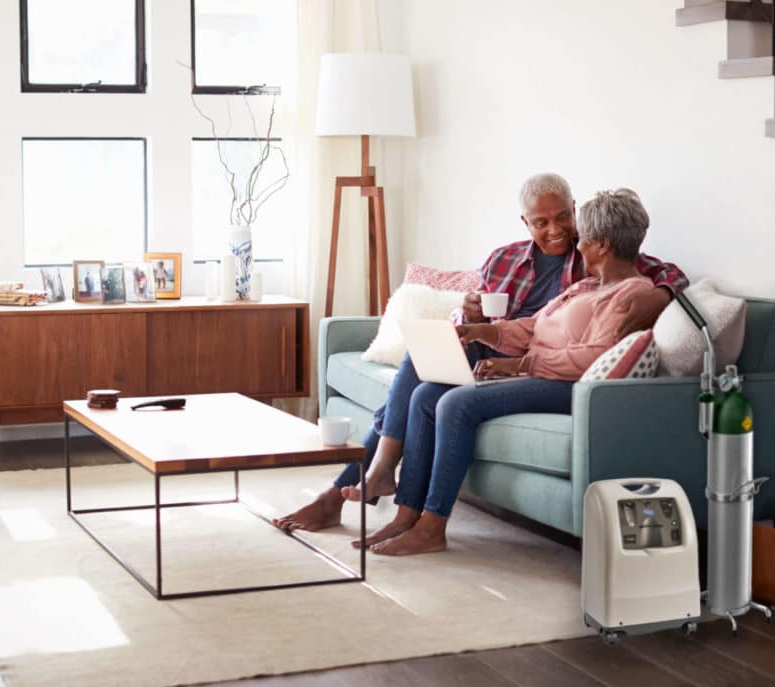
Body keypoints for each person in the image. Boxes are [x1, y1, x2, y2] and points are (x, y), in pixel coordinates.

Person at [271, 173, 688, 533]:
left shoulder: (592, 256)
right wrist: (465, 313)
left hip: (528, 357)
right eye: (542, 222)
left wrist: (663, 294)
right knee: (424, 359)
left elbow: (655, 270)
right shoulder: (504, 259)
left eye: (563, 217)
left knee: (427, 392)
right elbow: (477, 310)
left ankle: (361, 485)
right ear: (526, 222)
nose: (557, 230)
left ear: (575, 212)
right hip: (492, 341)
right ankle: (376, 479)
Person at [369, 188, 657, 555]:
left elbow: (593, 356)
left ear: (601, 244)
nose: (576, 244)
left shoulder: (631, 294)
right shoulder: (587, 286)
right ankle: (406, 513)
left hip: (567, 386)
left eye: (581, 237)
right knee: (427, 395)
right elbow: (531, 327)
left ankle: (432, 526)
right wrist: (481, 331)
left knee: (455, 404)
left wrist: (522, 364)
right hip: (541, 376)